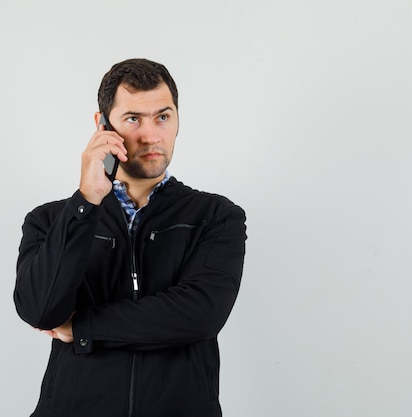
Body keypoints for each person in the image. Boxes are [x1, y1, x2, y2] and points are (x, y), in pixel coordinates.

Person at [14, 58, 247, 417]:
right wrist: (86, 202)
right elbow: (40, 310)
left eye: (163, 117)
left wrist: (82, 327)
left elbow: (199, 314)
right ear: (102, 126)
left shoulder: (216, 217)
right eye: (134, 119)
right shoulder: (49, 220)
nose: (152, 135)